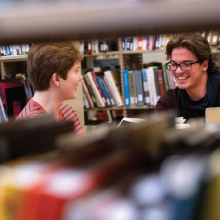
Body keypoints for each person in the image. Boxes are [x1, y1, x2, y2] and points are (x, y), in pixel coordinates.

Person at [17, 42, 85, 135]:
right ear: (56, 78)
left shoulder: (68, 111)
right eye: (76, 71)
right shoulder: (31, 127)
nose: (80, 77)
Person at [155, 33, 220, 121]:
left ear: (204, 65)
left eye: (187, 64)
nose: (178, 71)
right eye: (174, 64)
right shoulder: (168, 102)